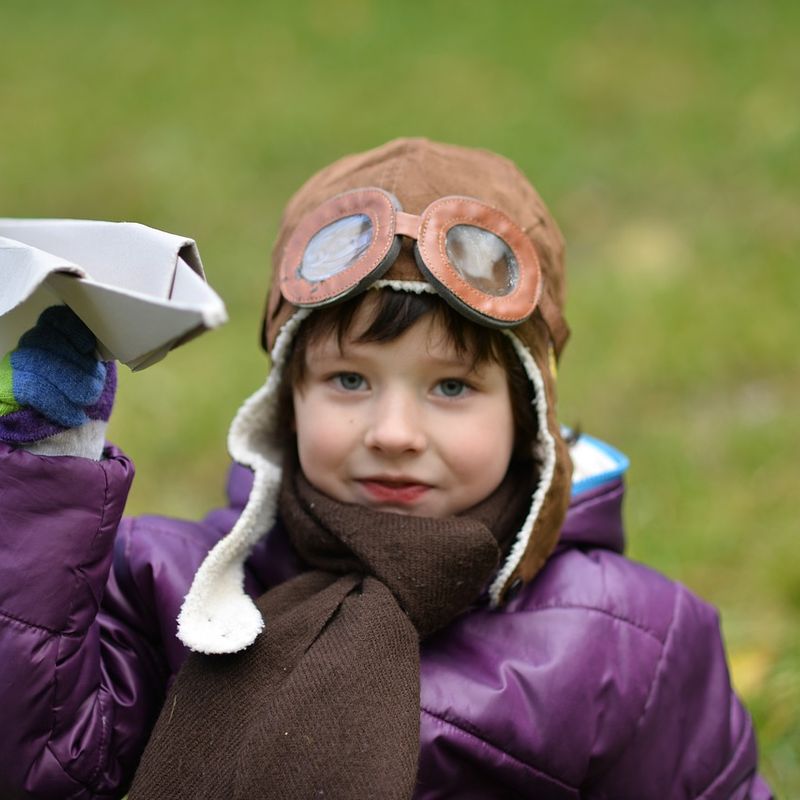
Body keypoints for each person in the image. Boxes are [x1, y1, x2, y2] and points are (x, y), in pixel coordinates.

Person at [0, 139, 772, 799]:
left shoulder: (629, 641)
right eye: (349, 381)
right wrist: (47, 473)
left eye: (451, 386)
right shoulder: (169, 587)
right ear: (286, 401)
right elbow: (41, 766)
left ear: (528, 414)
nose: (395, 432)